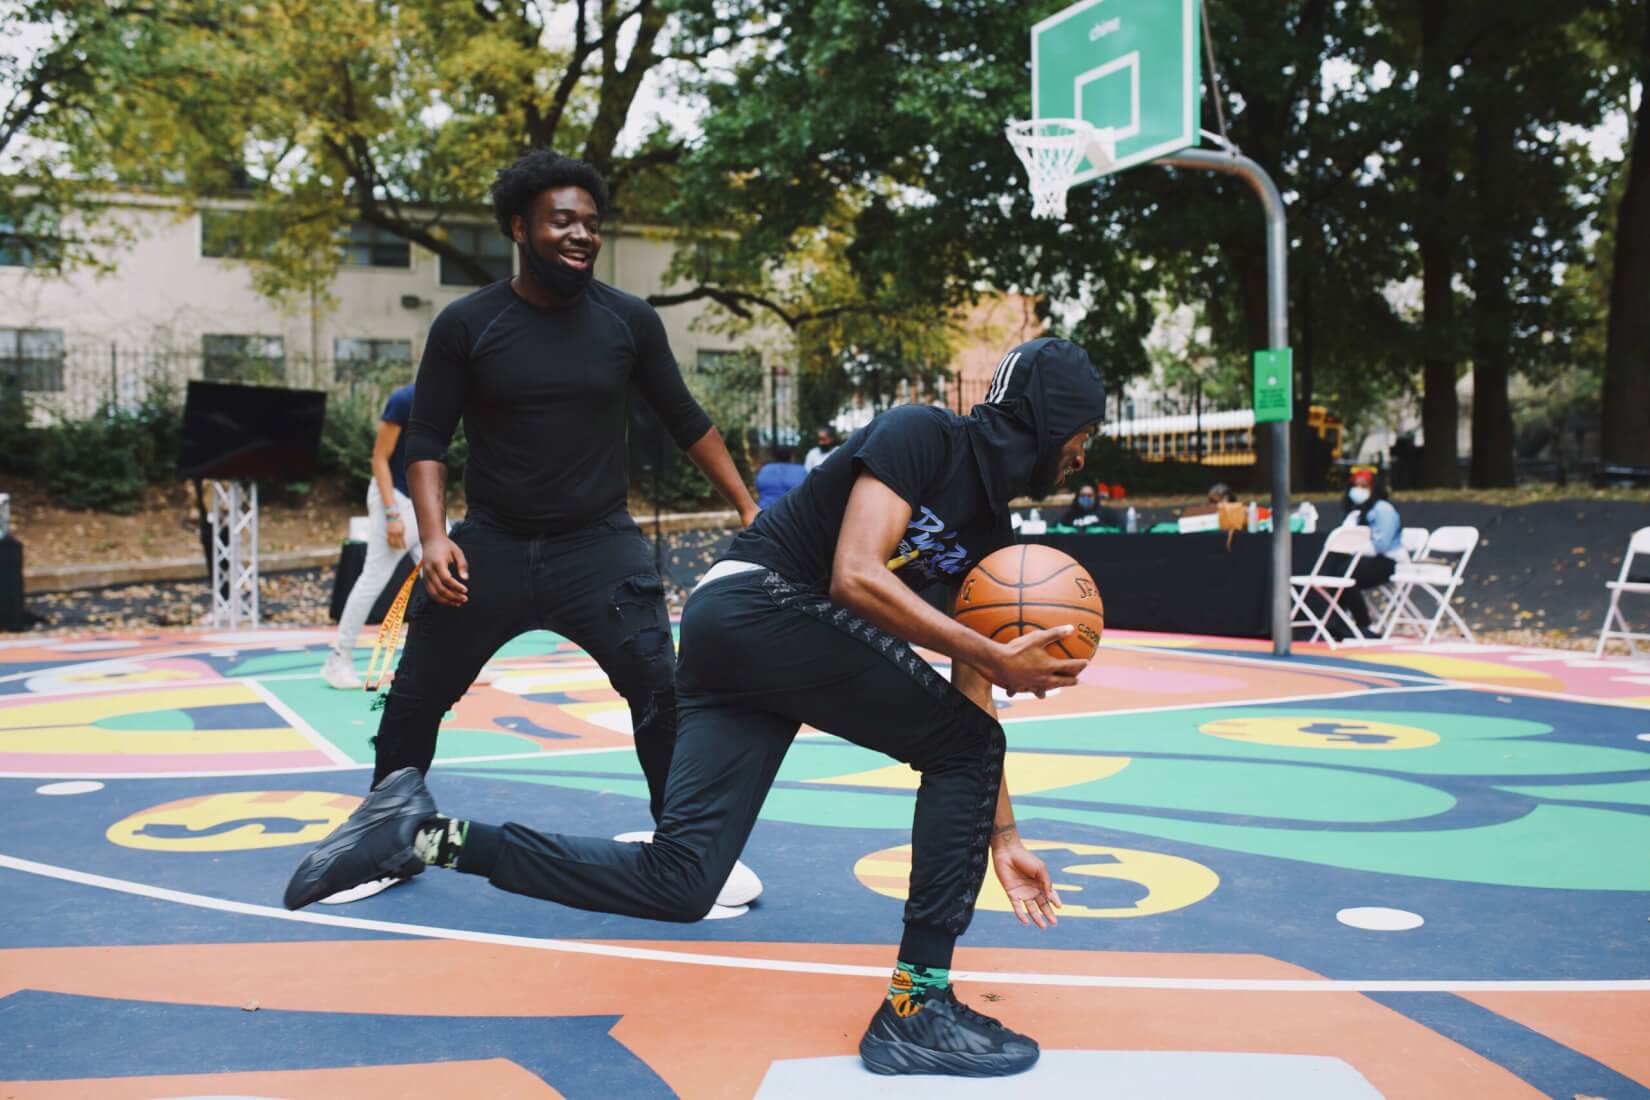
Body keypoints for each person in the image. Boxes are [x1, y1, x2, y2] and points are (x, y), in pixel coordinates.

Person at [285, 336, 1108, 1078]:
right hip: (759, 604)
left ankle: (417, 831)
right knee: (958, 746)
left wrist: (1002, 834)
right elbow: (855, 573)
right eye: (1084, 434)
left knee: (682, 880)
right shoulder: (924, 434)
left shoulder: (996, 539)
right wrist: (995, 653)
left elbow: (974, 695)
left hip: (749, 636)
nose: (1081, 455)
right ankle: (915, 1007)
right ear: (1052, 418)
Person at [318, 150, 762, 907]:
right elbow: (425, 439)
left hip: (598, 546)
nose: (581, 234)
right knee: (414, 695)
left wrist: (750, 508)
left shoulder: (628, 321)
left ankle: (686, 848)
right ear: (519, 228)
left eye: (591, 222)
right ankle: (380, 837)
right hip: (488, 545)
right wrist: (433, 537)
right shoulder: (468, 324)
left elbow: (686, 419)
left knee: (660, 690)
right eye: (563, 220)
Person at [321, 383, 421, 691]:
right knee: (374, 578)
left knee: (448, 577)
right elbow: (379, 458)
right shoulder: (404, 400)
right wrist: (391, 513)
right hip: (395, 497)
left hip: (425, 499)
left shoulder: (451, 401)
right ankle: (339, 659)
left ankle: (463, 659)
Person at [1336, 468, 1405, 631]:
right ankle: (1338, 622)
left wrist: (1357, 547)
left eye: (1364, 486)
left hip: (1387, 560)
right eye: (1356, 486)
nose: (1359, 490)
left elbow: (1382, 544)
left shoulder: (1383, 509)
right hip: (1363, 558)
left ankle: (1363, 624)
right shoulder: (1356, 509)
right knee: (1335, 570)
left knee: (1345, 574)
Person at [754, 445, 807, 509]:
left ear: (775, 457)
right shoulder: (800, 470)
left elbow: (758, 487)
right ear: (791, 457)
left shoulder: (766, 469)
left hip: (765, 512)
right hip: (793, 513)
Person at [1060, 480, 1124, 529]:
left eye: (1089, 495)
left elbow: (1120, 529)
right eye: (1082, 495)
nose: (1086, 498)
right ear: (1077, 497)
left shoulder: (1107, 513)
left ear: (1095, 497)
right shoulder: (1070, 515)